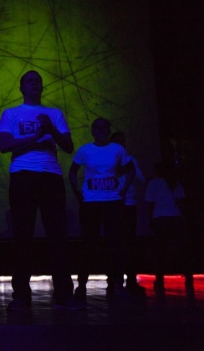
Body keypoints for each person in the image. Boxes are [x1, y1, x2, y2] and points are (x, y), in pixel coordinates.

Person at [0, 70, 83, 311]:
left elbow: (68, 146)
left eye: (38, 81)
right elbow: (4, 145)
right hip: (22, 174)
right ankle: (21, 296)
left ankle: (64, 295)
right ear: (22, 88)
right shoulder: (11, 113)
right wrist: (36, 136)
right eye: (30, 81)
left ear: (42, 88)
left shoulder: (54, 114)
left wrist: (51, 130)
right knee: (22, 235)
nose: (34, 84)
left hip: (51, 175)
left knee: (57, 236)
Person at [68, 118, 135, 300]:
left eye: (104, 128)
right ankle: (82, 285)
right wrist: (77, 192)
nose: (101, 131)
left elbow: (131, 170)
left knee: (115, 244)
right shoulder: (85, 150)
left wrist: (123, 189)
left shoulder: (117, 149)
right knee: (88, 244)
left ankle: (116, 283)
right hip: (91, 202)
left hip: (112, 202)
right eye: (98, 128)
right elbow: (72, 171)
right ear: (92, 131)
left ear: (108, 130)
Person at [145, 161, 193, 299]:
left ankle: (160, 279)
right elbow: (182, 202)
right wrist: (184, 219)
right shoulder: (175, 183)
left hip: (159, 218)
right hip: (175, 218)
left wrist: (150, 220)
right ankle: (188, 277)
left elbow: (150, 204)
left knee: (159, 250)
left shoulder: (153, 184)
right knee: (181, 249)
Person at [109, 131, 147, 296]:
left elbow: (141, 179)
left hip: (127, 204)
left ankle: (129, 281)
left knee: (128, 243)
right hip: (111, 204)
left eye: (122, 141)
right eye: (118, 141)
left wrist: (128, 170)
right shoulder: (108, 159)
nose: (121, 144)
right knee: (114, 243)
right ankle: (115, 281)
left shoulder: (130, 159)